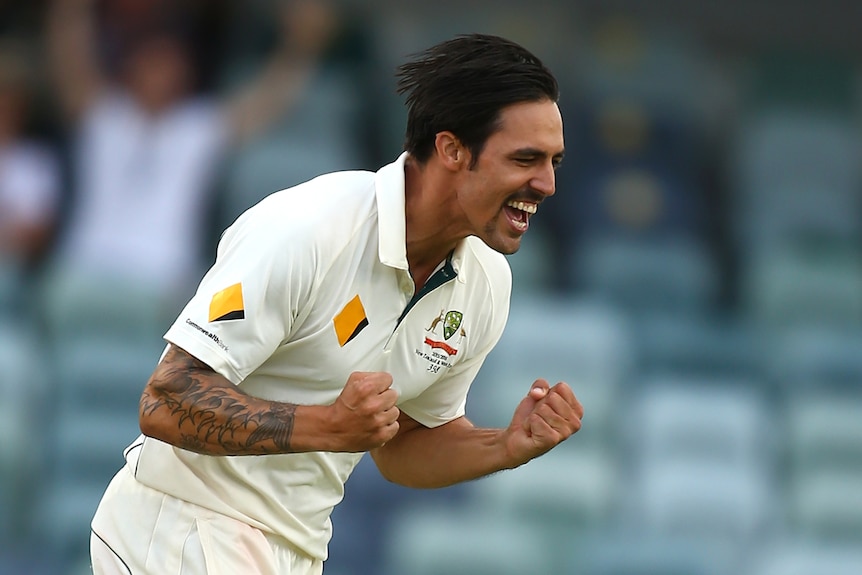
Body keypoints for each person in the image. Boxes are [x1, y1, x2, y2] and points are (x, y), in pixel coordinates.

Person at [89, 33, 583, 575]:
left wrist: (507, 445)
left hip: (296, 549)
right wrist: (328, 425)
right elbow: (166, 400)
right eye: (526, 159)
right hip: (181, 524)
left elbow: (403, 449)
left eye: (554, 161)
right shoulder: (310, 229)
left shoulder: (485, 282)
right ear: (451, 150)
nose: (547, 183)